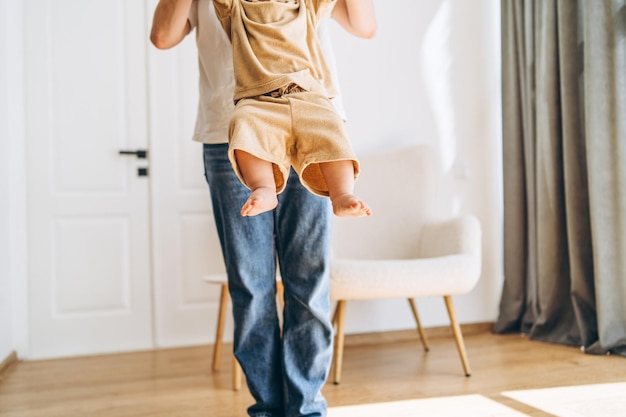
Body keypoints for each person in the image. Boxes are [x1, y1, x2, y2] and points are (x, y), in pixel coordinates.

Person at [150, 1, 376, 416]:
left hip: (315, 127)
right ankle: (269, 407)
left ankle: (306, 406)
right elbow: (163, 37)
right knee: (251, 286)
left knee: (309, 280)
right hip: (233, 130)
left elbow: (365, 26)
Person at [212, 0, 372, 218]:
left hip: (308, 96)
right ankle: (264, 188)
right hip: (259, 101)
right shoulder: (236, 8)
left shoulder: (306, 5)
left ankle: (342, 194)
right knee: (243, 123)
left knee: (331, 126)